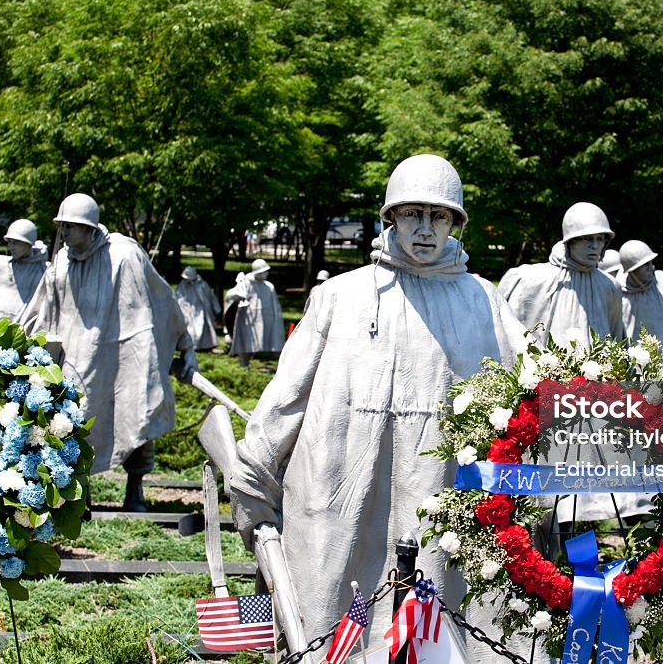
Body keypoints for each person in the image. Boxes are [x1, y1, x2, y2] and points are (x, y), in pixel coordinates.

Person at [229, 154, 526, 661]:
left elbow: (532, 400)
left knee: (445, 632)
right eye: (412, 214)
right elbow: (288, 394)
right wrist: (254, 475)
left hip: (444, 499)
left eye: (439, 216)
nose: (426, 229)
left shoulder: (486, 301)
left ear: (456, 223)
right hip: (344, 496)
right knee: (335, 625)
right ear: (391, 218)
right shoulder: (339, 297)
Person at [22, 193, 198, 511]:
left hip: (123, 357)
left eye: (72, 227)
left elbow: (160, 301)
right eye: (62, 227)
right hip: (75, 360)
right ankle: (79, 492)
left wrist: (184, 344)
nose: (65, 234)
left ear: (90, 228)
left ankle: (135, 490)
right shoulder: (60, 262)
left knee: (135, 417)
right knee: (72, 423)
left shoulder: (124, 255)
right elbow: (44, 310)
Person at [498, 202, 624, 347]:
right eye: (586, 238)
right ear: (570, 241)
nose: (595, 246)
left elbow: (616, 339)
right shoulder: (530, 279)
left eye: (600, 239)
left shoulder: (610, 286)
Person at [0, 219, 49, 321]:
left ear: (28, 244)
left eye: (15, 243)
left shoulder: (42, 270)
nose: (10, 247)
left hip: (16, 325)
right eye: (9, 242)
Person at [223, 258, 285, 368]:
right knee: (246, 343)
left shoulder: (269, 286)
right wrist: (237, 295)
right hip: (248, 320)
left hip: (265, 320)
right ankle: (243, 365)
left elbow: (276, 306)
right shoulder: (245, 283)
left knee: (267, 341)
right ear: (258, 273)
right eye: (264, 272)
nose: (266, 273)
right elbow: (229, 295)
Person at [175, 266, 221, 351]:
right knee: (188, 327)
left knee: (200, 326)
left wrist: (216, 309)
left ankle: (202, 345)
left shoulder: (202, 285)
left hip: (200, 309)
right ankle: (187, 344)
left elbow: (210, 297)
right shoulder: (182, 284)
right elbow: (178, 296)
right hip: (187, 309)